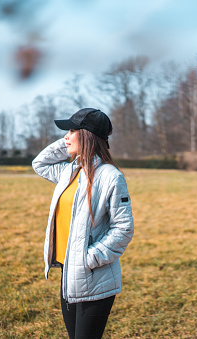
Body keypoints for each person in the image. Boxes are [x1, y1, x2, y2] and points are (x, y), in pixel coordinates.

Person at [32, 108, 134, 339]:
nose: (65, 137)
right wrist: (69, 143)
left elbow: (124, 227)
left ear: (87, 135)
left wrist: (90, 258)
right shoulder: (70, 172)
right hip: (69, 275)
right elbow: (39, 164)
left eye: (71, 131)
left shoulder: (110, 176)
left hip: (94, 278)